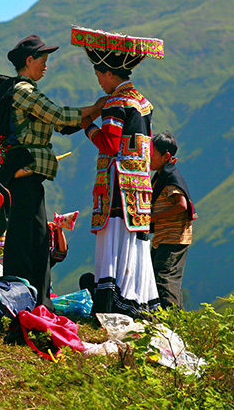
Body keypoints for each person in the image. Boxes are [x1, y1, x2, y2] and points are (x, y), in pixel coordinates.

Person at [0, 34, 106, 310]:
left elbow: (62, 124)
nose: (46, 66)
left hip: (27, 178)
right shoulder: (24, 91)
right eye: (43, 60)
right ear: (29, 60)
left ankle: (30, 298)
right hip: (25, 177)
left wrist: (92, 113)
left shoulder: (24, 90)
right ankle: (30, 301)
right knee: (30, 239)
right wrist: (98, 107)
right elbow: (59, 116)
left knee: (31, 237)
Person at [72, 25, 164, 318]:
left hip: (116, 188)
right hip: (137, 186)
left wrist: (86, 126)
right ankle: (137, 300)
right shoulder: (142, 103)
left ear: (110, 74)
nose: (99, 81)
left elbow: (110, 143)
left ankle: (112, 302)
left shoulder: (116, 103)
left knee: (113, 241)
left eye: (99, 75)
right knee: (133, 244)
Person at [150, 131, 197, 309]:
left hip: (174, 237)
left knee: (165, 279)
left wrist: (152, 217)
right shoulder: (162, 175)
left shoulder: (170, 178)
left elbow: (181, 205)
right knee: (158, 276)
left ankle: (173, 322)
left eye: (152, 154)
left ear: (166, 156)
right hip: (164, 237)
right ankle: (168, 320)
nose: (149, 158)